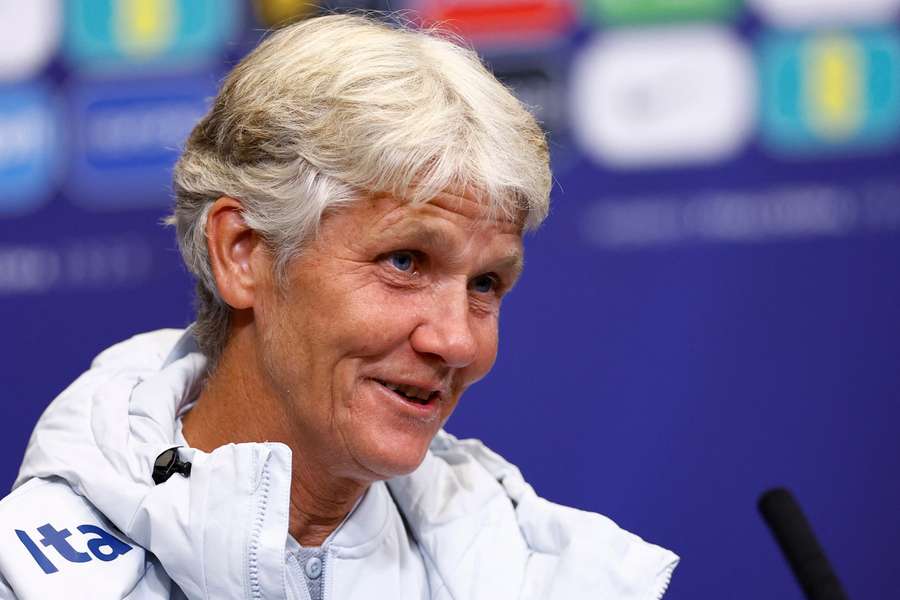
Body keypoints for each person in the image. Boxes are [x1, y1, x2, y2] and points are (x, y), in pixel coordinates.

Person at [0, 14, 677, 600]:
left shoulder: (552, 575)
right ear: (243, 253)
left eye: (486, 285)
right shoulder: (28, 577)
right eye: (405, 262)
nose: (458, 343)